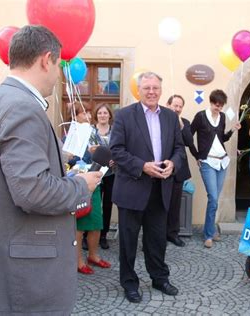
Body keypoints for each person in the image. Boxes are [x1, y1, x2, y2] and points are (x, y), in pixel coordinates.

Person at [0, 25, 102, 315]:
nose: (58, 76)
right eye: (58, 65)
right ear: (46, 59)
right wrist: (81, 185)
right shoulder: (22, 108)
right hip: (18, 276)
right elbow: (32, 191)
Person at [110, 72, 185, 303]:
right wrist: (142, 166)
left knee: (157, 239)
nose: (151, 92)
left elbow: (180, 148)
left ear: (161, 90)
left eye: (155, 88)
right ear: (139, 90)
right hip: (133, 188)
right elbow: (116, 150)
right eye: (147, 88)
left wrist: (173, 162)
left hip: (160, 188)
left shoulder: (171, 117)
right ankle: (129, 283)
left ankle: (159, 278)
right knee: (129, 242)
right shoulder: (124, 115)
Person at [191, 89, 241, 248]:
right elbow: (188, 135)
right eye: (215, 104)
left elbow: (222, 138)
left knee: (214, 199)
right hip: (207, 162)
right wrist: (196, 155)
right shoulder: (200, 116)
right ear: (211, 101)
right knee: (213, 198)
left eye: (220, 105)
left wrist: (233, 130)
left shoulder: (223, 117)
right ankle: (208, 235)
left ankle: (211, 230)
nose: (217, 107)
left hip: (222, 162)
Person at [65, 102, 111, 275]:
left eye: (90, 113)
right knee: (80, 223)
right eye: (85, 114)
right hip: (79, 182)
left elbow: (103, 153)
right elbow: (68, 159)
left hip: (96, 179)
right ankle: (78, 260)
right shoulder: (70, 133)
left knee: (96, 222)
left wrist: (100, 153)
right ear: (75, 116)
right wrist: (80, 155)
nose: (89, 116)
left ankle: (94, 255)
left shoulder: (93, 133)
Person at [165, 94, 197, 247]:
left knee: (175, 204)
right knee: (159, 205)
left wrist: (180, 125)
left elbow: (189, 142)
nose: (177, 109)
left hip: (178, 170)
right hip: (162, 168)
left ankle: (172, 234)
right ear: (168, 105)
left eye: (180, 106)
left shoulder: (185, 122)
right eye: (175, 105)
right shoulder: (160, 119)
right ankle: (156, 236)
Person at [90, 103, 115, 250]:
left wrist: (115, 158)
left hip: (111, 173)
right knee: (92, 204)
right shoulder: (91, 131)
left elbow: (119, 148)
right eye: (100, 113)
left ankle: (103, 235)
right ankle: (89, 235)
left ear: (110, 115)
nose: (103, 115)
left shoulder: (115, 131)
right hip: (94, 172)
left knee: (107, 205)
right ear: (96, 115)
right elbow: (87, 151)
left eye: (105, 113)